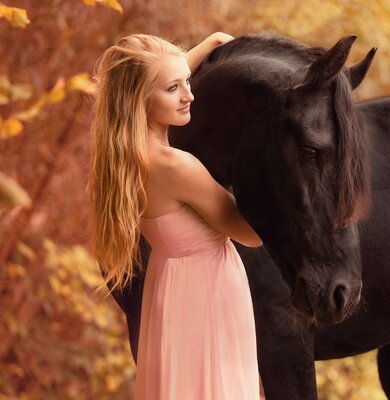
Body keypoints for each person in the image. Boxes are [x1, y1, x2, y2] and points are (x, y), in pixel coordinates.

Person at [86, 32, 264, 399]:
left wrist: (210, 45)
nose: (190, 95)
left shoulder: (124, 157)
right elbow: (251, 234)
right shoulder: (176, 167)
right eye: (174, 89)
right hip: (207, 293)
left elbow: (131, 83)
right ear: (139, 98)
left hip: (170, 287)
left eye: (188, 81)